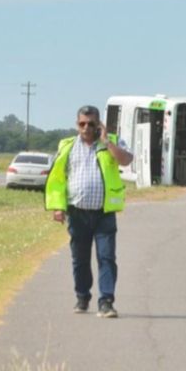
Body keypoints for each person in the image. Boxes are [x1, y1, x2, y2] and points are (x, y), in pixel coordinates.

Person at [46, 105, 133, 318]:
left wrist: (107, 142)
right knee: (80, 259)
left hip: (104, 213)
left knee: (106, 257)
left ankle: (106, 302)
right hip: (77, 213)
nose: (86, 128)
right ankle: (82, 297)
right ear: (77, 124)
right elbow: (57, 180)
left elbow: (126, 160)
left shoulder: (110, 142)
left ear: (99, 124)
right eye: (82, 123)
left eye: (91, 124)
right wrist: (58, 207)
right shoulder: (66, 146)